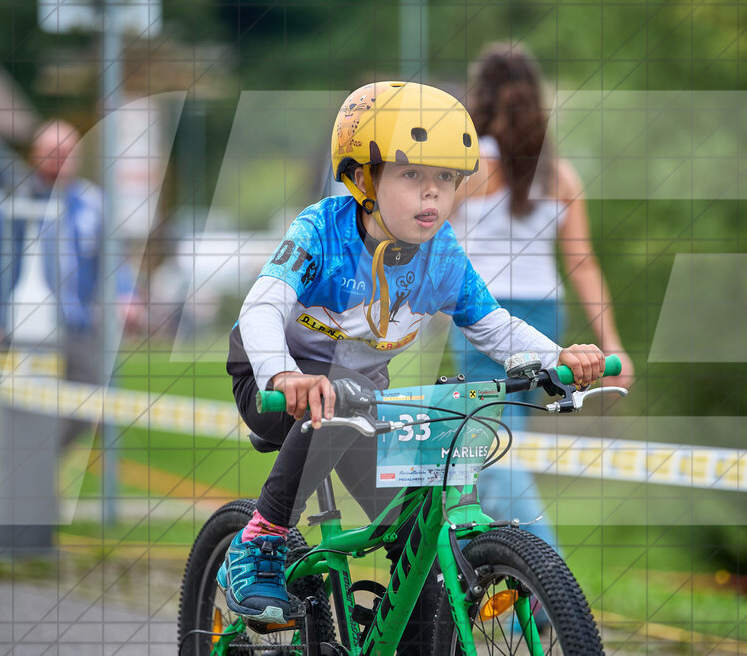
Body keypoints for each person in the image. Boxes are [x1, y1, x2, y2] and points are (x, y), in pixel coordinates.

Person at [221, 82, 608, 646]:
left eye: (446, 179)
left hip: (358, 399)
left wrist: (558, 356)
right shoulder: (322, 230)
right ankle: (261, 537)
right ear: (364, 176)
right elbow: (261, 307)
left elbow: (494, 326)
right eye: (412, 175)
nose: (432, 195)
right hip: (273, 384)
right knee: (336, 398)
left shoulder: (441, 254)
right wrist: (284, 374)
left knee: (417, 539)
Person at [450, 42, 634, 555]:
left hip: (483, 319)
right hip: (544, 316)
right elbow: (582, 263)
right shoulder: (560, 174)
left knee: (493, 454)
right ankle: (509, 594)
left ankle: (550, 584)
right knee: (501, 452)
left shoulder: (465, 169)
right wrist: (612, 341)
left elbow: (430, 249)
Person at [0, 120, 111, 449]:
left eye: (67, 152)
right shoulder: (14, 201)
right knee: (27, 408)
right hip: (27, 328)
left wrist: (123, 295)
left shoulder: (91, 203)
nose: (60, 159)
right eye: (52, 152)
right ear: (34, 156)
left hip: (76, 325)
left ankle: (40, 460)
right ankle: (30, 471)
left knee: (87, 405)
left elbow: (110, 262)